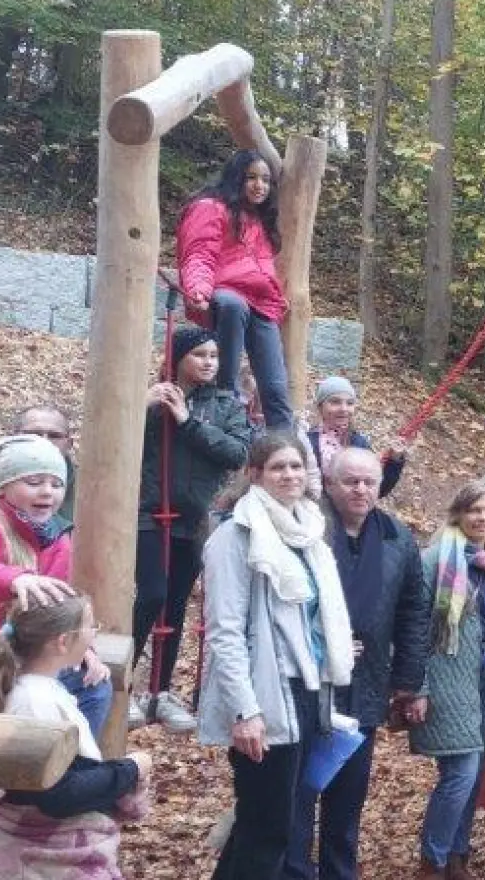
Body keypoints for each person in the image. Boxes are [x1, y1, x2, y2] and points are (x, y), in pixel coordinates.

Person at [0, 435, 113, 880]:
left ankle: (59, 775)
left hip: (18, 650)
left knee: (94, 683)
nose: (47, 492)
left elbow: (59, 610)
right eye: (33, 482)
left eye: (56, 483)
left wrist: (81, 647)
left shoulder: (57, 539)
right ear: (4, 487)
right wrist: (14, 578)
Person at [198, 433, 355, 879]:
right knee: (267, 826)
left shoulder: (310, 533)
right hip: (263, 692)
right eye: (277, 467)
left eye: (296, 466)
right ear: (255, 475)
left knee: (268, 823)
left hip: (306, 688)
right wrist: (245, 711)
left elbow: (313, 616)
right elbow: (225, 631)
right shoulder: (235, 536)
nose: (289, 475)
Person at [286, 449, 431, 880]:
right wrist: (325, 643)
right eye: (351, 481)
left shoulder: (396, 538)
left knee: (347, 798)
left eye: (369, 482)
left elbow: (414, 610)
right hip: (307, 683)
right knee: (298, 793)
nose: (361, 490)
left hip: (365, 685)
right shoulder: (307, 529)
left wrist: (408, 679)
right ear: (330, 484)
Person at [0, 596, 151, 880]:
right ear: (63, 642)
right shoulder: (36, 702)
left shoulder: (39, 688)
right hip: (45, 843)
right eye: (91, 626)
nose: (95, 633)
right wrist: (130, 770)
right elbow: (57, 794)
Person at [130, 326, 251, 732]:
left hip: (195, 518)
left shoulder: (225, 405)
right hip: (149, 512)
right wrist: (142, 406)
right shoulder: (151, 396)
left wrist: (187, 422)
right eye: (200, 354)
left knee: (176, 603)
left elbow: (237, 452)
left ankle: (160, 691)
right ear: (178, 358)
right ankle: (121, 681)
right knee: (152, 594)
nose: (209, 362)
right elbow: (116, 436)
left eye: (214, 355)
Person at [410, 481, 485, 880]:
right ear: (458, 513)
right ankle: (433, 861)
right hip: (451, 678)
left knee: (474, 773)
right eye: (474, 510)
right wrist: (418, 687)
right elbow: (414, 626)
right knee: (459, 774)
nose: (482, 517)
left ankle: (458, 856)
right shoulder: (435, 560)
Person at [177, 149, 293, 429]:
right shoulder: (210, 207)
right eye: (251, 177)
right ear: (236, 177)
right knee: (233, 304)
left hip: (260, 302)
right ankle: (225, 394)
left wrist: (277, 298)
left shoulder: (260, 220)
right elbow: (200, 252)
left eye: (265, 179)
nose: (259, 185)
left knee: (275, 387)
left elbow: (261, 269)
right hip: (223, 293)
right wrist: (198, 288)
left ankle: (285, 442)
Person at [0, 405, 79, 523]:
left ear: (69, 444)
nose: (44, 441)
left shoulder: (87, 488)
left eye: (54, 436)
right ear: (14, 437)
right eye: (34, 434)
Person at [307, 377, 407, 497]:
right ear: (320, 406)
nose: (344, 408)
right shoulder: (307, 442)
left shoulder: (359, 443)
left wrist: (394, 460)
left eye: (349, 403)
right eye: (335, 402)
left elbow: (378, 491)